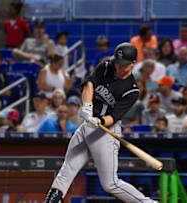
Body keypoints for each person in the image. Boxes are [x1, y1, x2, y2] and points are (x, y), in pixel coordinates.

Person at [43, 43, 158, 203]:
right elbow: (90, 84)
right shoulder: (106, 67)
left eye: (123, 64)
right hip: (88, 125)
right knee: (68, 168)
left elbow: (115, 116)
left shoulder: (132, 90)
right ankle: (52, 200)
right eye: (117, 62)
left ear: (132, 64)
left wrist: (100, 120)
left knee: (110, 183)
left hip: (106, 131)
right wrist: (88, 107)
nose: (118, 67)